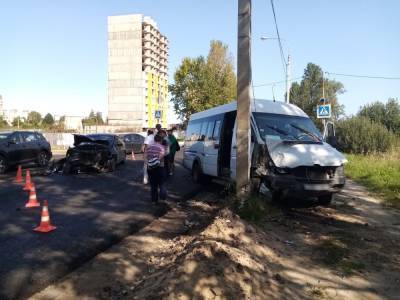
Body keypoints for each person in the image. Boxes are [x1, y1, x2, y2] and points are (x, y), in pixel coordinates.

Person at [146, 134, 166, 203]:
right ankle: (163, 198)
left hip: (150, 168)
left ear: (154, 140)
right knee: (161, 183)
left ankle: (154, 200)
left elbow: (147, 157)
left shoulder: (149, 147)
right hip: (159, 168)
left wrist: (150, 163)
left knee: (153, 185)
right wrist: (157, 160)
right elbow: (162, 156)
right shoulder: (162, 147)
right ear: (160, 140)